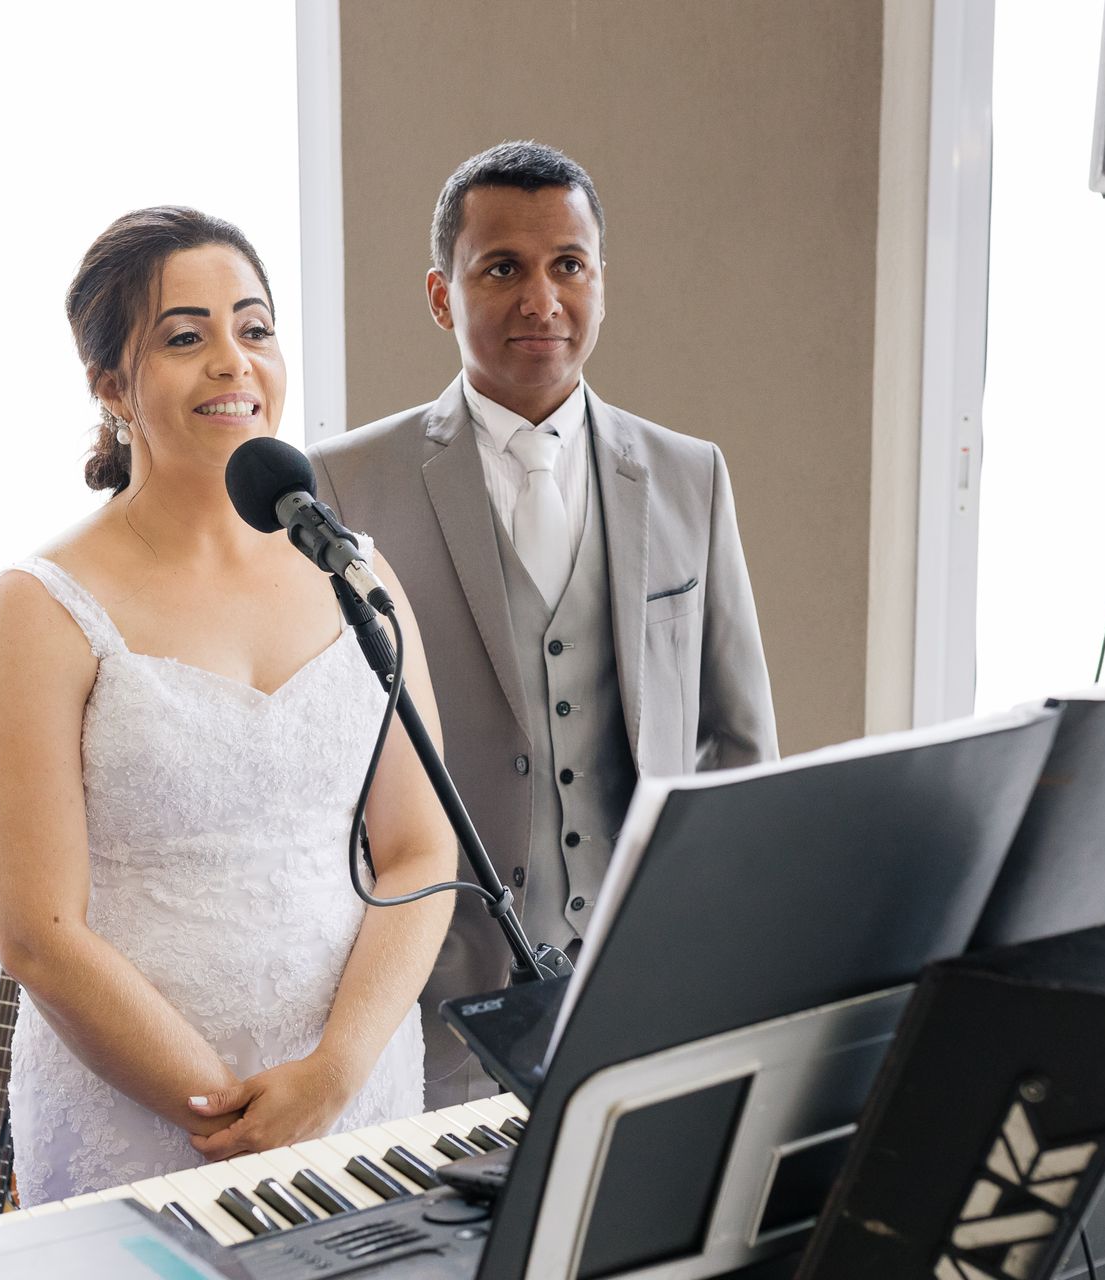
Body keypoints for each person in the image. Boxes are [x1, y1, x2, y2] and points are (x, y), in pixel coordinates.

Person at [0, 207, 455, 1203]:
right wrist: (230, 1115)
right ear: (111, 386)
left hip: (356, 1098)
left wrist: (335, 1074)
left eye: (255, 327)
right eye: (185, 337)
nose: (234, 360)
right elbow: (38, 931)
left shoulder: (352, 572)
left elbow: (421, 849)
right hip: (139, 1121)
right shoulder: (41, 607)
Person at [310, 142, 779, 1107]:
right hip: (435, 1008)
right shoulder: (346, 485)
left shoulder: (690, 475)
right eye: (502, 269)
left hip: (647, 988)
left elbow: (739, 744)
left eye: (569, 264)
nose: (542, 299)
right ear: (441, 296)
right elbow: (320, 765)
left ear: (602, 281)